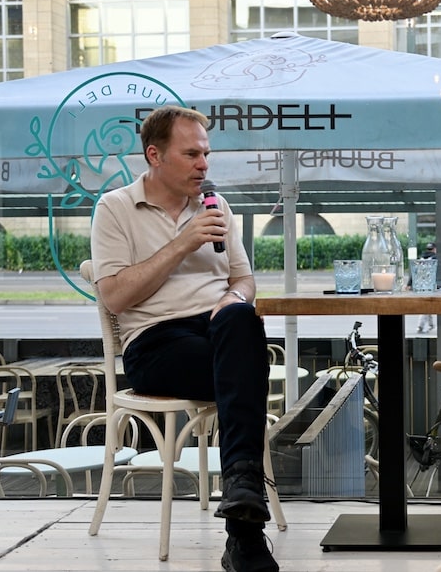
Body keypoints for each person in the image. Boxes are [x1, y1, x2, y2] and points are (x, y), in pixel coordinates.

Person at [90, 106, 279, 572]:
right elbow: (114, 297)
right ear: (155, 155)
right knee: (245, 373)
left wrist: (233, 297)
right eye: (191, 153)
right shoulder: (115, 208)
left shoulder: (217, 205)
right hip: (157, 341)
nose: (204, 164)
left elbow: (244, 279)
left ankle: (241, 503)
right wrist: (181, 243)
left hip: (219, 330)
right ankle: (245, 525)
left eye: (206, 153)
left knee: (242, 321)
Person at [417, 242, 437, 334]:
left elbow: (416, 271)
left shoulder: (420, 259)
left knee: (427, 305)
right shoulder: (435, 259)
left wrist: (409, 284)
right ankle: (420, 326)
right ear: (434, 249)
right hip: (431, 284)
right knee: (426, 306)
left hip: (420, 284)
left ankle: (431, 325)